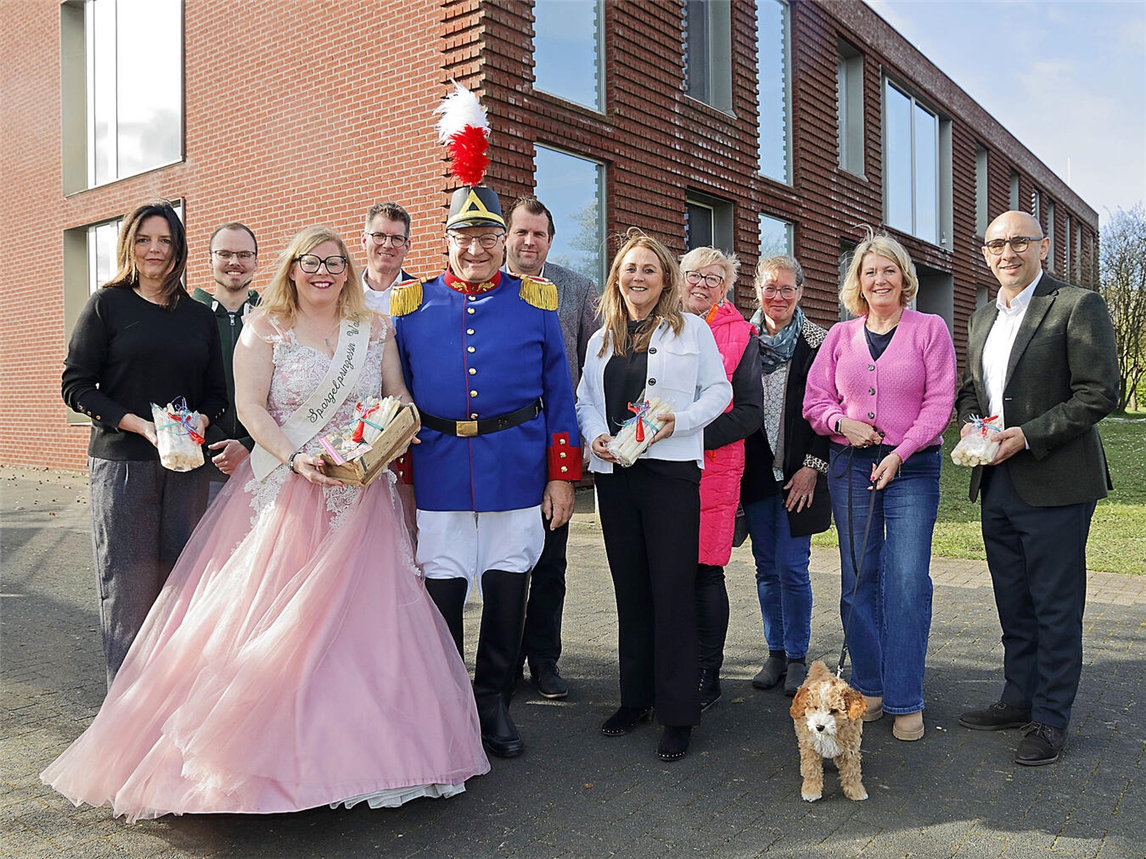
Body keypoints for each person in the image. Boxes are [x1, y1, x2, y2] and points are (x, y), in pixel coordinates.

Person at [42, 226, 490, 820]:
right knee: (277, 617)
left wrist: (392, 431)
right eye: (311, 263)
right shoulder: (265, 327)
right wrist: (295, 456)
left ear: (348, 270)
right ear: (292, 268)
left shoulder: (375, 328)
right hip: (289, 486)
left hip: (360, 495)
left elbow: (397, 394)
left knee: (366, 621)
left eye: (334, 263)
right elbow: (250, 407)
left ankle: (365, 751)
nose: (323, 273)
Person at [392, 186, 581, 760]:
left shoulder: (536, 302)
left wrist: (562, 475)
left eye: (486, 238)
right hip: (439, 467)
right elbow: (395, 398)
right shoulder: (412, 305)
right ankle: (447, 704)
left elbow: (559, 395)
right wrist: (403, 479)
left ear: (502, 242)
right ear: (446, 241)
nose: (475, 249)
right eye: (464, 238)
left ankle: (493, 699)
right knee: (441, 590)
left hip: (515, 466)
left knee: (507, 588)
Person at [956, 211, 1119, 766]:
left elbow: (1098, 393)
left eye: (1019, 242)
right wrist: (972, 425)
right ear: (985, 253)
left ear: (1042, 247)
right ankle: (1018, 698)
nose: (1007, 252)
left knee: (1055, 605)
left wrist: (1026, 436)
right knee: (1013, 600)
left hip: (1056, 480)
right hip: (995, 479)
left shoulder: (1076, 305)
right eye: (996, 244)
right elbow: (971, 390)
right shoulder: (981, 317)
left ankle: (1051, 718)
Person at [577, 232, 732, 762]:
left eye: (648, 268)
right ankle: (635, 700)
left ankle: (678, 714)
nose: (637, 277)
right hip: (615, 475)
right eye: (629, 268)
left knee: (671, 591)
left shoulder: (692, 330)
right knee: (631, 590)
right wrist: (595, 435)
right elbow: (584, 399)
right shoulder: (602, 337)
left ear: (665, 278)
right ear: (617, 277)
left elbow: (720, 392)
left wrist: (679, 422)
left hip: (669, 474)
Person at [61, 200, 227, 688]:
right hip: (124, 466)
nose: (154, 249)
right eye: (144, 239)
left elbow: (217, 394)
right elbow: (76, 385)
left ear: (178, 249)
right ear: (128, 245)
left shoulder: (199, 317)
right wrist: (140, 425)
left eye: (165, 240)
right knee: (128, 590)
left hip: (187, 468)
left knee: (182, 584)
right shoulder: (106, 305)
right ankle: (125, 706)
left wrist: (196, 421)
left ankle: (173, 700)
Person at [803, 230, 955, 743]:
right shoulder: (839, 336)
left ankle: (906, 695)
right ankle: (868, 685)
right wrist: (841, 423)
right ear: (858, 282)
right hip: (850, 467)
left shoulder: (929, 329)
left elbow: (940, 404)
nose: (880, 279)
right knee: (857, 578)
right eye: (870, 271)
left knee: (907, 581)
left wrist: (899, 452)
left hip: (912, 467)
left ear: (904, 277)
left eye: (889, 269)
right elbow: (815, 402)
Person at [504, 195, 600, 699]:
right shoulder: (485, 286)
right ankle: (500, 663)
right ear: (506, 236)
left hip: (554, 447)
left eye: (538, 234)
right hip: (499, 448)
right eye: (521, 232)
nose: (529, 241)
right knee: (501, 563)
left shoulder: (578, 290)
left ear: (550, 241)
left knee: (549, 561)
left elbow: (595, 369)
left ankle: (544, 659)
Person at [740, 255, 830, 698]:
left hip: (801, 474)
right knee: (764, 566)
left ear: (801, 292)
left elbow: (833, 409)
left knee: (792, 567)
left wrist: (813, 467)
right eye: (770, 288)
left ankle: (797, 656)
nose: (778, 297)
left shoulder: (820, 342)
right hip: (755, 472)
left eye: (787, 289)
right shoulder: (741, 339)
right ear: (757, 289)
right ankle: (775, 653)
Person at [678, 247, 762, 711]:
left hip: (715, 468)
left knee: (705, 571)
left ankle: (707, 673)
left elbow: (749, 413)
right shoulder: (660, 323)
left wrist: (687, 434)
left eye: (714, 279)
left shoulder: (741, 334)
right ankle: (671, 664)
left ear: (726, 288)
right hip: (661, 466)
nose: (702, 284)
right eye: (694, 275)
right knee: (666, 570)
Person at [192, 222, 262, 505]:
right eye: (225, 254)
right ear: (210, 260)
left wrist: (248, 445)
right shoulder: (186, 318)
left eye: (244, 255)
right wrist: (217, 444)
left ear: (256, 261)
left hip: (264, 463)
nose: (235, 262)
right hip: (203, 466)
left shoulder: (276, 317)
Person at [360, 201, 415, 314]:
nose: (387, 245)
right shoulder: (342, 294)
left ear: (407, 247)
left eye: (396, 238)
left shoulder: (423, 297)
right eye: (379, 236)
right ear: (364, 241)